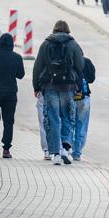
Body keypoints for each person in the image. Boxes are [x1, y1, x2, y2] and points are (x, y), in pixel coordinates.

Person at [32, 20, 85, 166]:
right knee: (67, 116)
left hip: (49, 85)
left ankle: (55, 153)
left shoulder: (46, 44)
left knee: (52, 118)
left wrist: (36, 86)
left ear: (54, 29)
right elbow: (81, 65)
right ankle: (66, 149)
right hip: (67, 86)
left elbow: (38, 65)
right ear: (68, 30)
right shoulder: (73, 44)